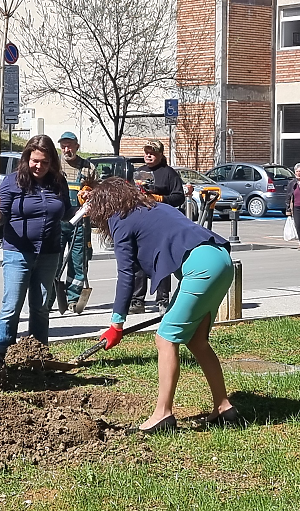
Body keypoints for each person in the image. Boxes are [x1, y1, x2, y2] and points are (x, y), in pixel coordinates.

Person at [89, 177, 236, 433]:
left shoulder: (120, 220)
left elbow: (126, 274)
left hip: (200, 268)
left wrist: (116, 323)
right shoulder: (154, 207)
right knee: (197, 340)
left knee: (165, 339)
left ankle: (162, 414)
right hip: (221, 260)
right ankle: (224, 407)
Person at [0, 134, 73, 357]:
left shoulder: (58, 182)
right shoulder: (13, 182)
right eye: (35, 161)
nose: (39, 166)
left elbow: (66, 213)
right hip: (18, 252)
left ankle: (38, 355)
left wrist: (85, 207)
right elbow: (1, 218)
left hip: (49, 252)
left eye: (45, 162)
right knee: (12, 306)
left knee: (41, 307)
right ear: (27, 158)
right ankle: (1, 355)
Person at [130, 140, 185, 314]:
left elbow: (179, 197)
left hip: (162, 222)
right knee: (138, 261)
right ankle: (137, 301)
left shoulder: (168, 174)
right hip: (141, 222)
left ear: (160, 155)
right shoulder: (138, 173)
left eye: (152, 152)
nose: (148, 155)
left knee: (161, 260)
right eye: (146, 152)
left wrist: (161, 199)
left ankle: (163, 300)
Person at [56, 132, 96, 313]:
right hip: (57, 220)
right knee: (53, 260)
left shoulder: (88, 168)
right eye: (63, 145)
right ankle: (49, 298)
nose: (67, 149)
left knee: (78, 260)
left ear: (77, 146)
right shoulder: (54, 165)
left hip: (80, 221)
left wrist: (90, 194)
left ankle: (73, 298)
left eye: (70, 145)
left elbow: (98, 192)